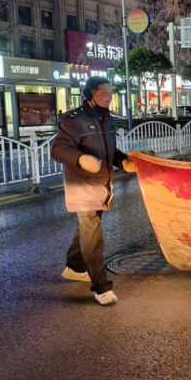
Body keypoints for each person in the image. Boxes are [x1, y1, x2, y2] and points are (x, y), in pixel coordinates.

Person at [51, 77, 136, 305]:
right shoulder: (73, 120)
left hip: (102, 183)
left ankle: (74, 267)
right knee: (93, 235)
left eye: (110, 94)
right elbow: (58, 149)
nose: (108, 99)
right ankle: (101, 287)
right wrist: (81, 159)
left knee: (86, 229)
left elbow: (111, 150)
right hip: (81, 184)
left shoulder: (107, 118)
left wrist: (123, 161)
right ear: (89, 95)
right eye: (104, 94)